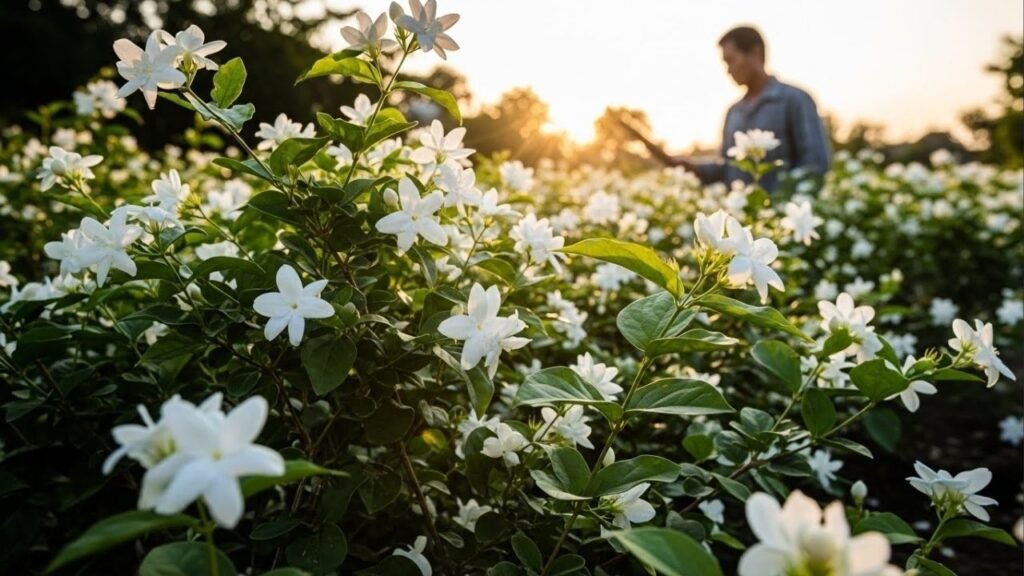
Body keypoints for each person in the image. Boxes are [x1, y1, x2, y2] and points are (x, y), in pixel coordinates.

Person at [621, 26, 831, 191]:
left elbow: (814, 166)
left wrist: (783, 202)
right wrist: (694, 168)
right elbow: (728, 167)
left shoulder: (795, 100)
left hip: (782, 224)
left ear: (755, 53)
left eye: (731, 60)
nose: (728, 70)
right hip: (742, 224)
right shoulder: (733, 112)